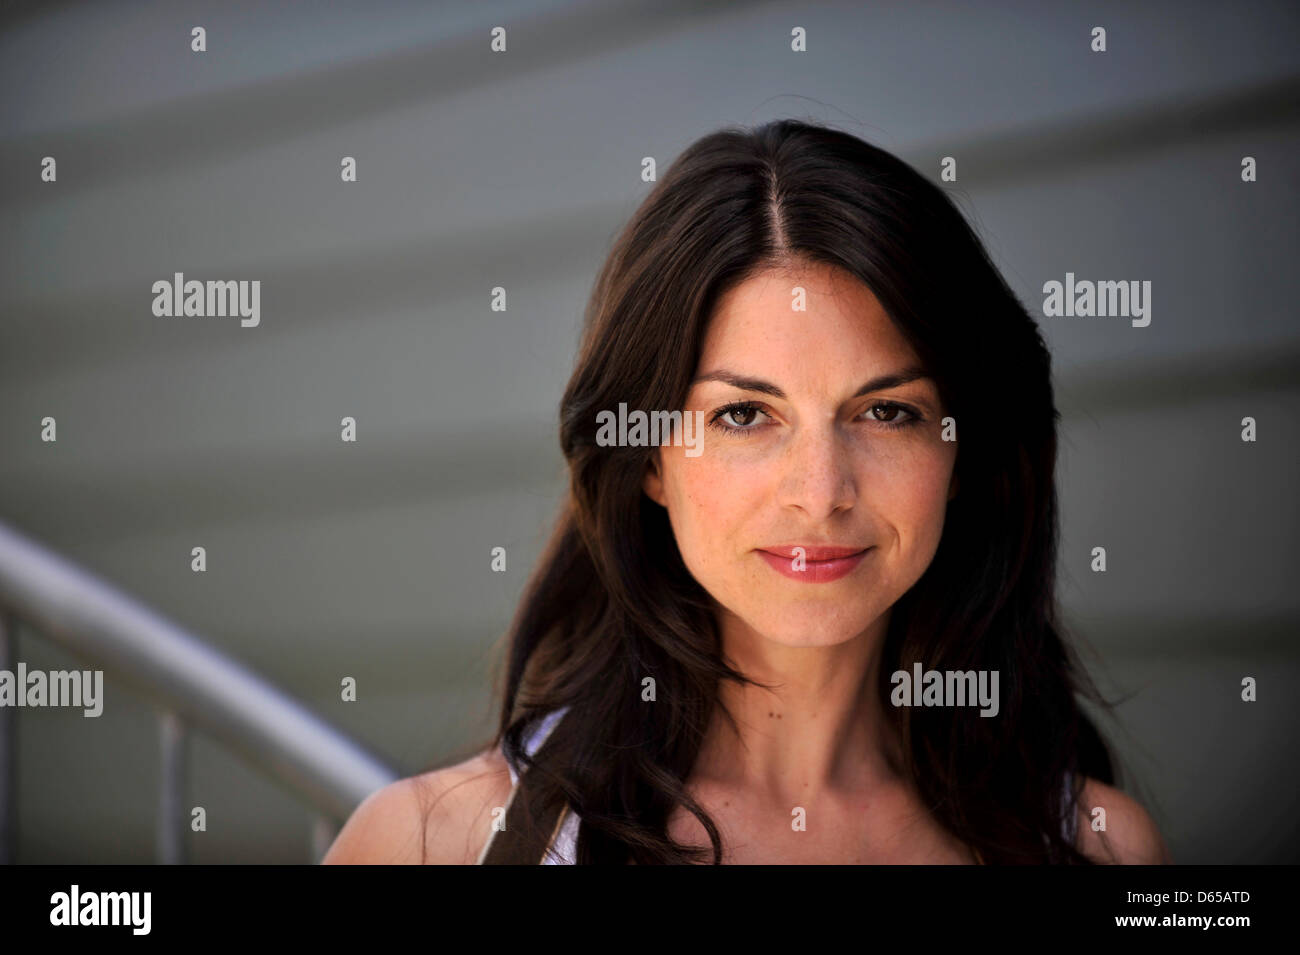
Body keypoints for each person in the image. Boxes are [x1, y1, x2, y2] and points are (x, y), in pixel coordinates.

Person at [323, 119, 1170, 865]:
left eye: (885, 410)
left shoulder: (1101, 847)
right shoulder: (435, 844)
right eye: (743, 415)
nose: (821, 490)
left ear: (963, 453)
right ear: (647, 457)